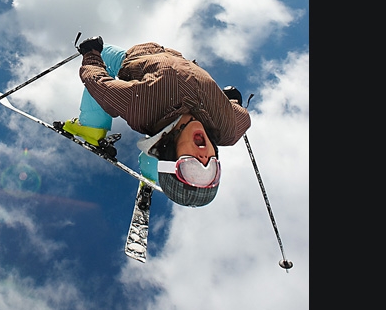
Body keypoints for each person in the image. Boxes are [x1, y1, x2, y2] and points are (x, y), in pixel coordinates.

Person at [61, 36, 251, 207]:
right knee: (166, 134)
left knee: (104, 56)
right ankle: (151, 175)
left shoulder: (139, 105)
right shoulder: (228, 127)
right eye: (211, 170)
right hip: (175, 58)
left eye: (191, 168)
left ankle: (91, 127)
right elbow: (243, 117)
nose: (203, 160)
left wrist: (92, 54)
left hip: (136, 59)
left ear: (170, 158)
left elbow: (99, 85)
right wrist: (232, 100)